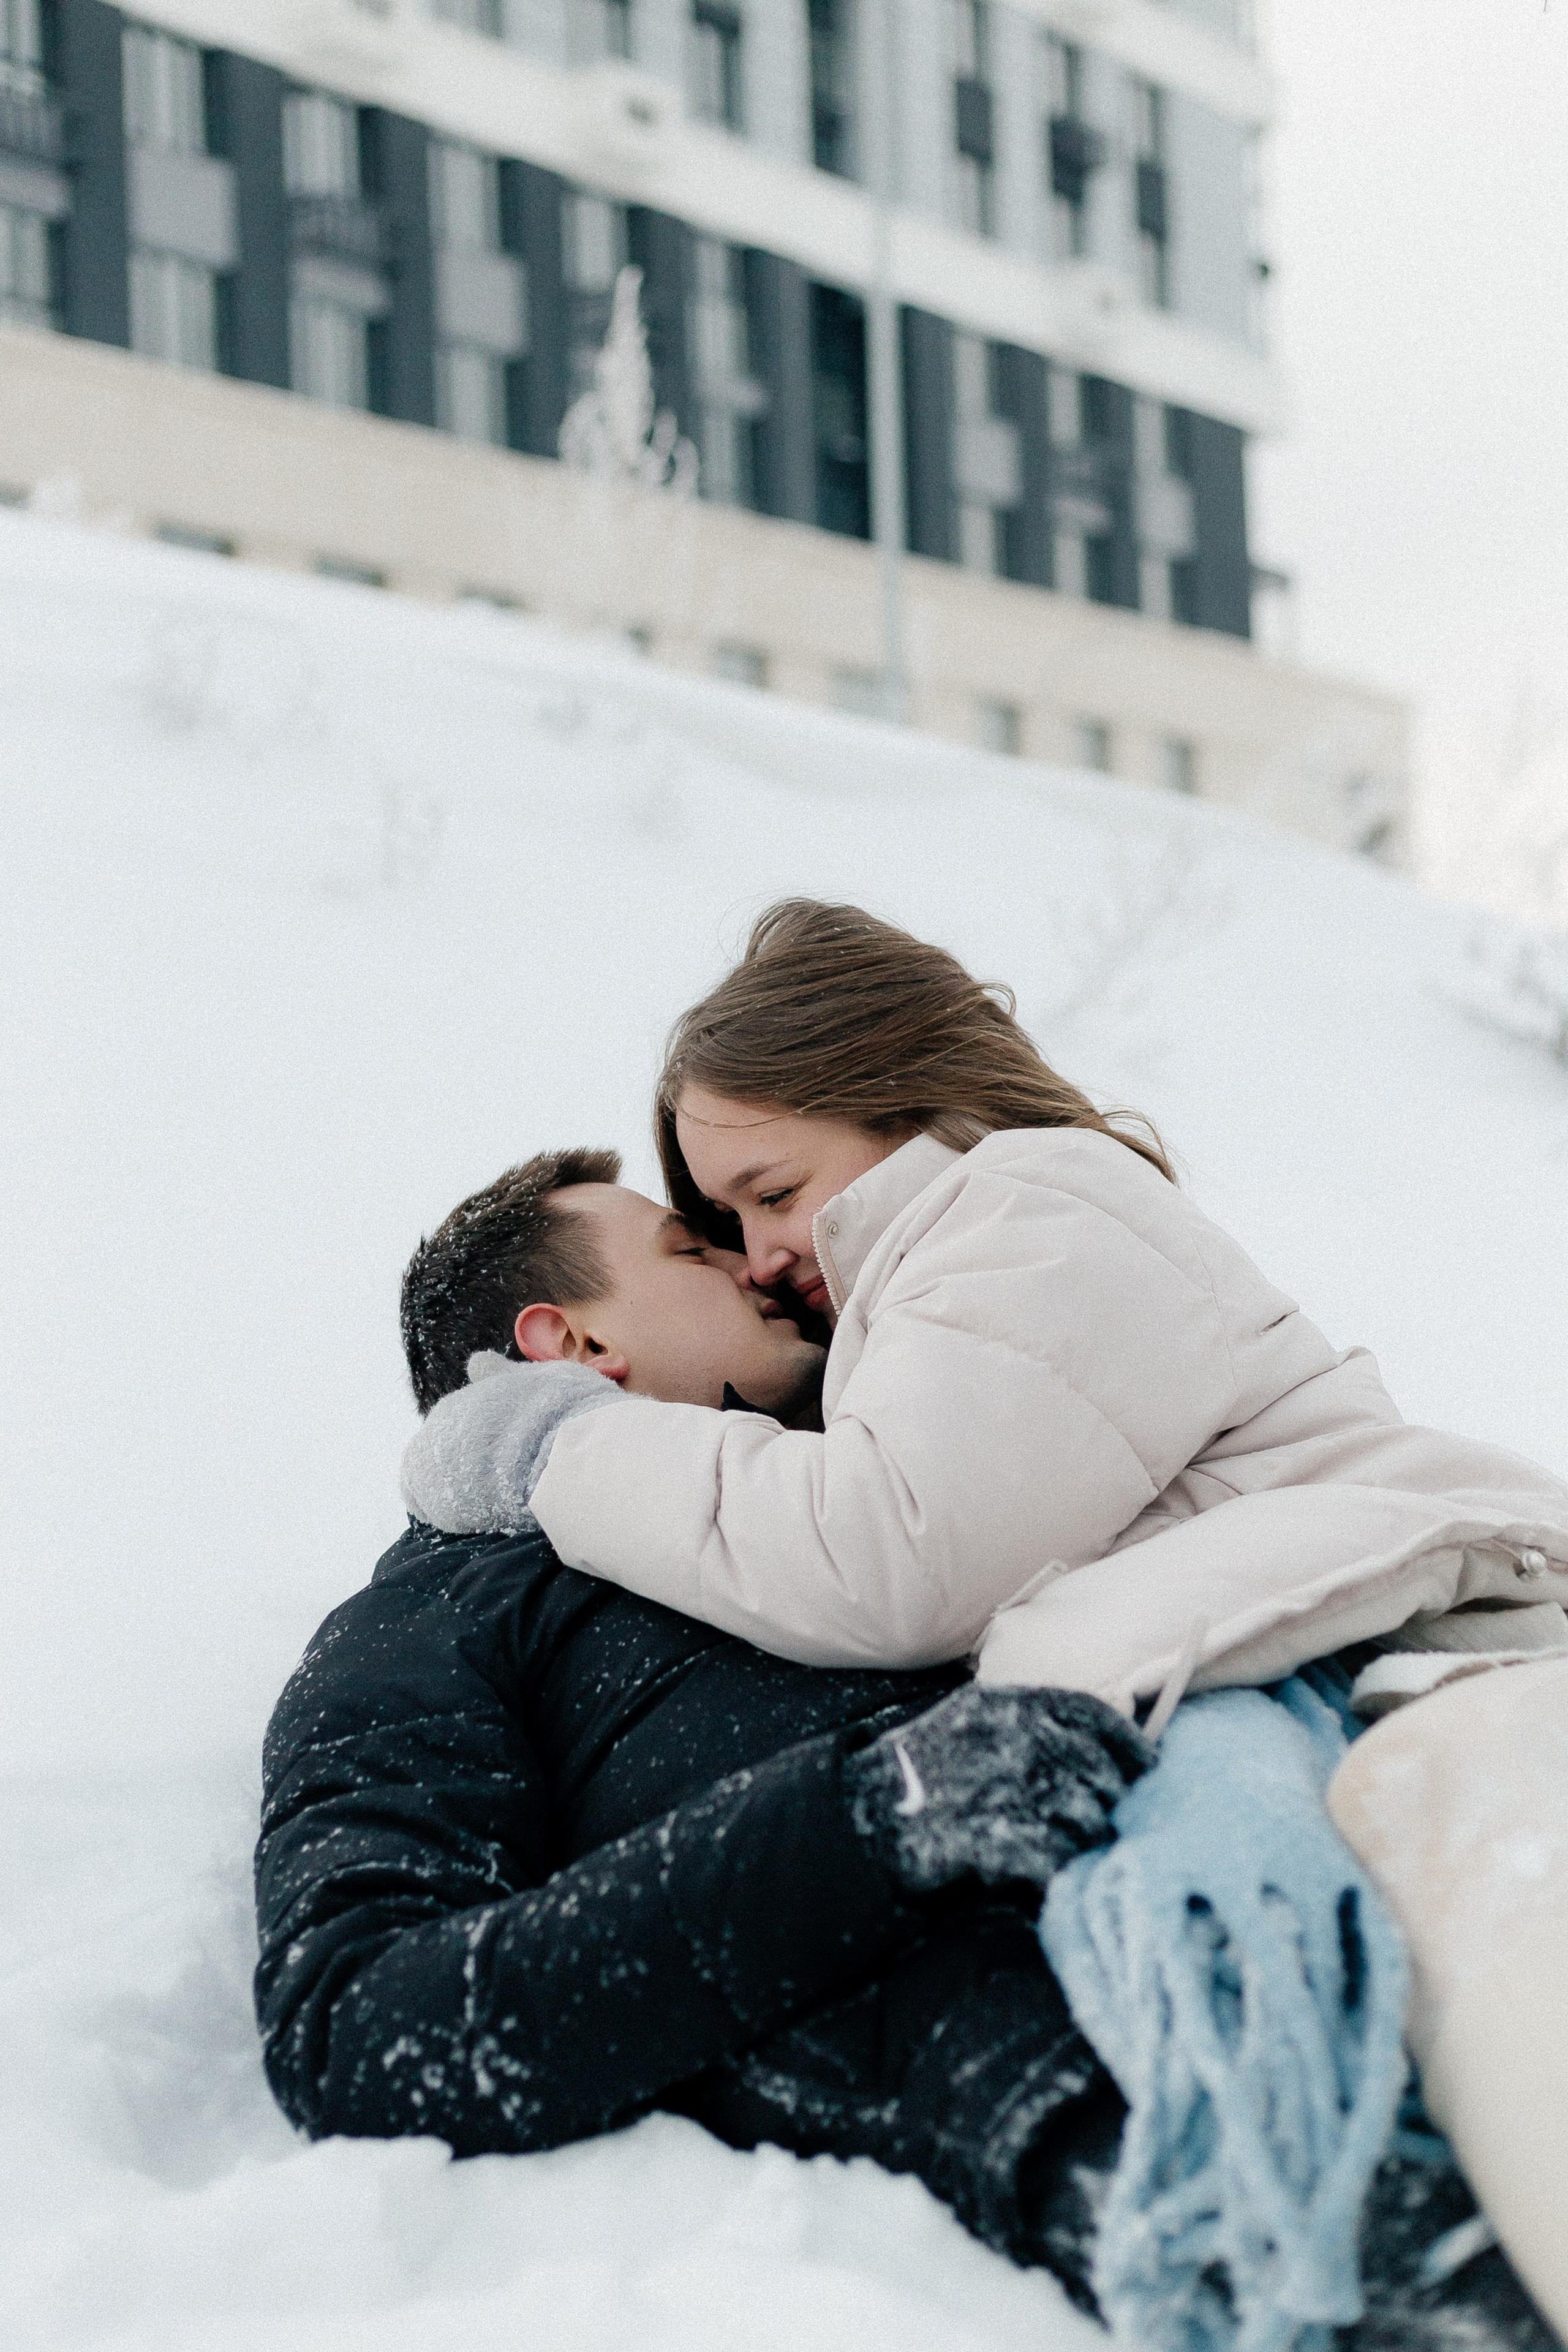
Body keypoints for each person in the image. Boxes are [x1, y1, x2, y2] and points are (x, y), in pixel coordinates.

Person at [399, 901, 1568, 2337]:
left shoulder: (1027, 1209)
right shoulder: (912, 1296)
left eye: (769, 1194)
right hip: (1318, 1676)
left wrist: (558, 1450)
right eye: (721, 1227)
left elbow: (891, 1556)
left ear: (889, 1100)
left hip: (1435, 1675)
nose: (760, 1254)